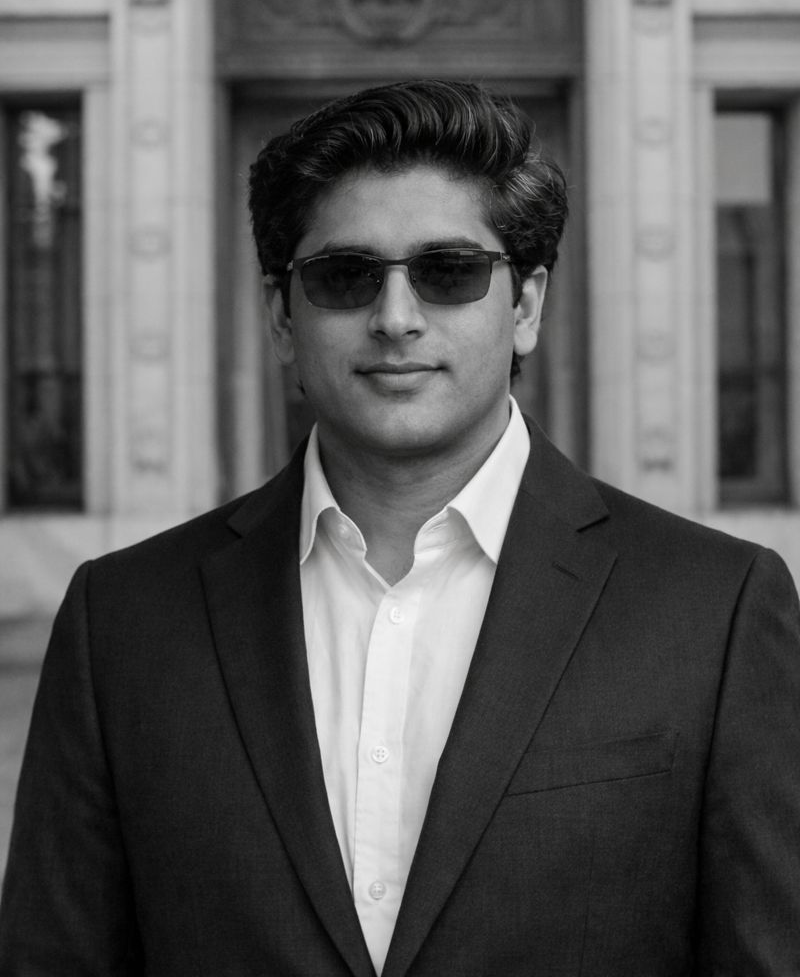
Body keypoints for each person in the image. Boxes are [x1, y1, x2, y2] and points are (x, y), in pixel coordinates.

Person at [1, 79, 798, 977]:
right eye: (345, 277)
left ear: (526, 306)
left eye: (448, 271)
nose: (395, 318)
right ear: (281, 315)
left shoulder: (717, 611)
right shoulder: (121, 621)